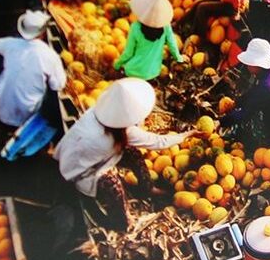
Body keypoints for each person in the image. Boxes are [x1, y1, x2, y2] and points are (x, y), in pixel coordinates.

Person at [56, 78, 197, 227]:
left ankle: (148, 188)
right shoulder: (127, 132)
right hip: (79, 171)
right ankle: (121, 222)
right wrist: (187, 135)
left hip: (77, 154)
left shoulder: (98, 113)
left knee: (132, 152)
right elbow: (158, 142)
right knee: (112, 183)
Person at [0, 10, 67, 128]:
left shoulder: (10, 44)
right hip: (26, 114)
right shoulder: (49, 55)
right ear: (42, 33)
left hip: (0, 106)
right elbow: (58, 85)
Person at [113, 0, 184, 80]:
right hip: (153, 72)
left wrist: (117, 65)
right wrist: (179, 59)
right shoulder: (166, 26)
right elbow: (172, 46)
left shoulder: (136, 27)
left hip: (133, 72)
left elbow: (128, 53)